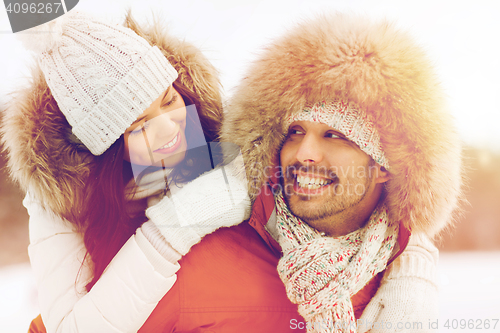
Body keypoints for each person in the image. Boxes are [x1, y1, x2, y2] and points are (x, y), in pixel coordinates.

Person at [1, 11, 251, 332]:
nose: (168, 129)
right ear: (108, 149)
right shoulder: (62, 198)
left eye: (169, 99)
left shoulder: (223, 141)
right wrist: (173, 227)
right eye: (139, 125)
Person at [219, 12, 462, 333]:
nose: (303, 152)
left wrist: (414, 264)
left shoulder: (401, 279)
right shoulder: (210, 259)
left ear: (385, 169)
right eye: (295, 131)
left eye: (335, 136)